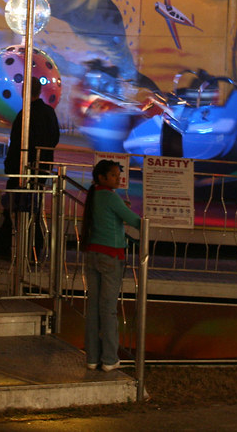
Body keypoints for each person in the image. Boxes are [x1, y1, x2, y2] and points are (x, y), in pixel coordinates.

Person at [80, 159, 141, 371]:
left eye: (118, 175)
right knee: (108, 309)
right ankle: (109, 358)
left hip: (93, 254)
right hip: (111, 257)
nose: (118, 178)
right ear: (102, 178)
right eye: (114, 175)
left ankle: (92, 357)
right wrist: (149, 225)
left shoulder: (95, 195)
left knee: (94, 308)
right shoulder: (110, 196)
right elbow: (133, 220)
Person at [0, 76, 60, 260]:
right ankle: (34, 252)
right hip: (41, 170)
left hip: (21, 171)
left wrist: (10, 167)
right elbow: (54, 139)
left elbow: (17, 144)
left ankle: (5, 248)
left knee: (12, 210)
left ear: (25, 92)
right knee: (34, 211)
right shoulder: (49, 113)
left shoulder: (25, 115)